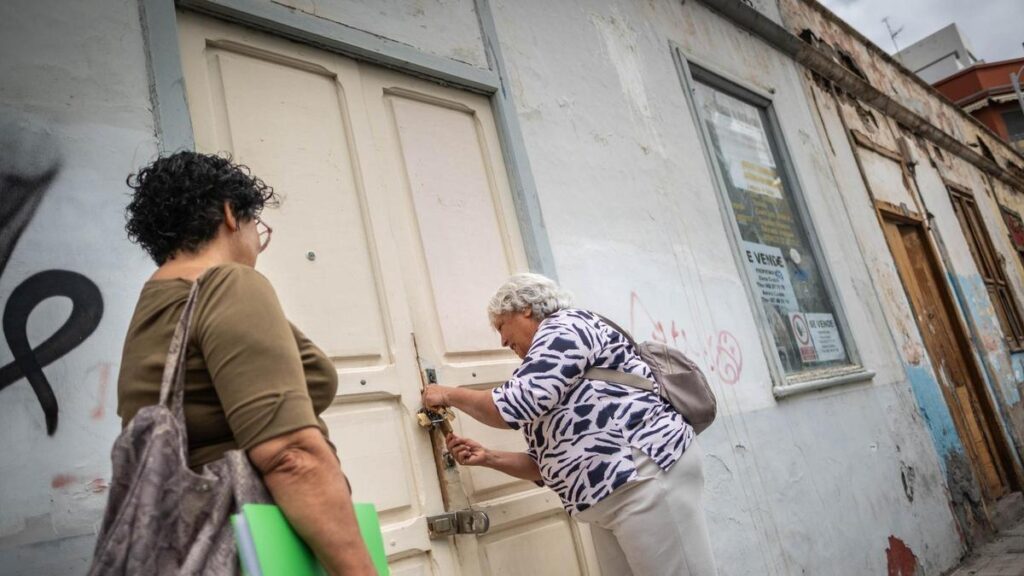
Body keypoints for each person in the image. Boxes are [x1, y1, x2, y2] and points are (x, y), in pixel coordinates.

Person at [117, 151, 375, 575]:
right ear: (230, 214)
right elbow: (291, 456)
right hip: (242, 545)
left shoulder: (157, 302)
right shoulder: (229, 285)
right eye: (259, 227)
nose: (259, 243)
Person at [422, 273, 717, 576]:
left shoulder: (564, 327)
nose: (503, 341)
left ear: (525, 308)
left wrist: (447, 394)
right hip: (613, 495)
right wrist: (488, 457)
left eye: (501, 326)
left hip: (643, 476)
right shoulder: (544, 365)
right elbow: (546, 464)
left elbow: (512, 405)